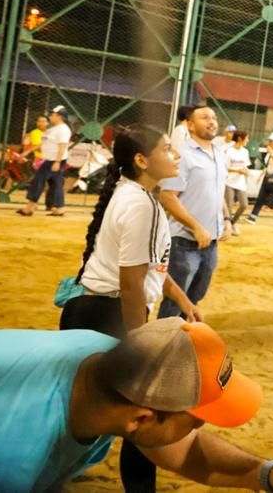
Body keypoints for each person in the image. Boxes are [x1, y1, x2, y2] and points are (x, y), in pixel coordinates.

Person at [0, 318, 273, 492]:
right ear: (141, 419)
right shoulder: (10, 463)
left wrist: (265, 474)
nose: (199, 428)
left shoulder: (109, 358)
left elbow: (182, 449)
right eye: (195, 420)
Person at [57, 125, 201, 490]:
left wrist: (183, 300)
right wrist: (140, 340)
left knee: (89, 410)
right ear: (141, 160)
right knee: (146, 414)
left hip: (95, 312)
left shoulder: (134, 194)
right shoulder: (139, 203)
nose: (176, 155)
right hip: (109, 316)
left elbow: (151, 268)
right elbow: (131, 283)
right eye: (167, 149)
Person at [157, 106, 231, 320]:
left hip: (211, 242)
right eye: (205, 117)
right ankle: (162, 343)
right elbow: (167, 196)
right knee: (175, 300)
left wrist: (227, 219)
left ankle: (181, 338)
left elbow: (220, 190)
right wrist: (196, 227)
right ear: (190, 125)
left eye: (214, 117)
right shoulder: (183, 156)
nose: (212, 122)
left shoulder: (219, 154)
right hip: (184, 242)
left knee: (196, 296)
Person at [17, 106, 72, 217]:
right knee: (56, 184)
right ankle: (59, 208)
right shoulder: (53, 129)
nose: (50, 116)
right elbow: (43, 144)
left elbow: (62, 147)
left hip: (55, 160)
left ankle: (30, 207)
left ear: (59, 116)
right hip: (50, 160)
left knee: (38, 181)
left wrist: (57, 162)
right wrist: (27, 152)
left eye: (53, 114)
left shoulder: (63, 130)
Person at [224, 129, 250, 235]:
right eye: (247, 138)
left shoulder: (245, 152)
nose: (247, 140)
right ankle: (228, 227)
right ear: (240, 139)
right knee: (229, 207)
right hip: (229, 182)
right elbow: (225, 167)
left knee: (244, 205)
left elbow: (246, 166)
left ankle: (232, 223)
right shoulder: (229, 151)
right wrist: (237, 170)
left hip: (240, 183)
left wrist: (246, 171)